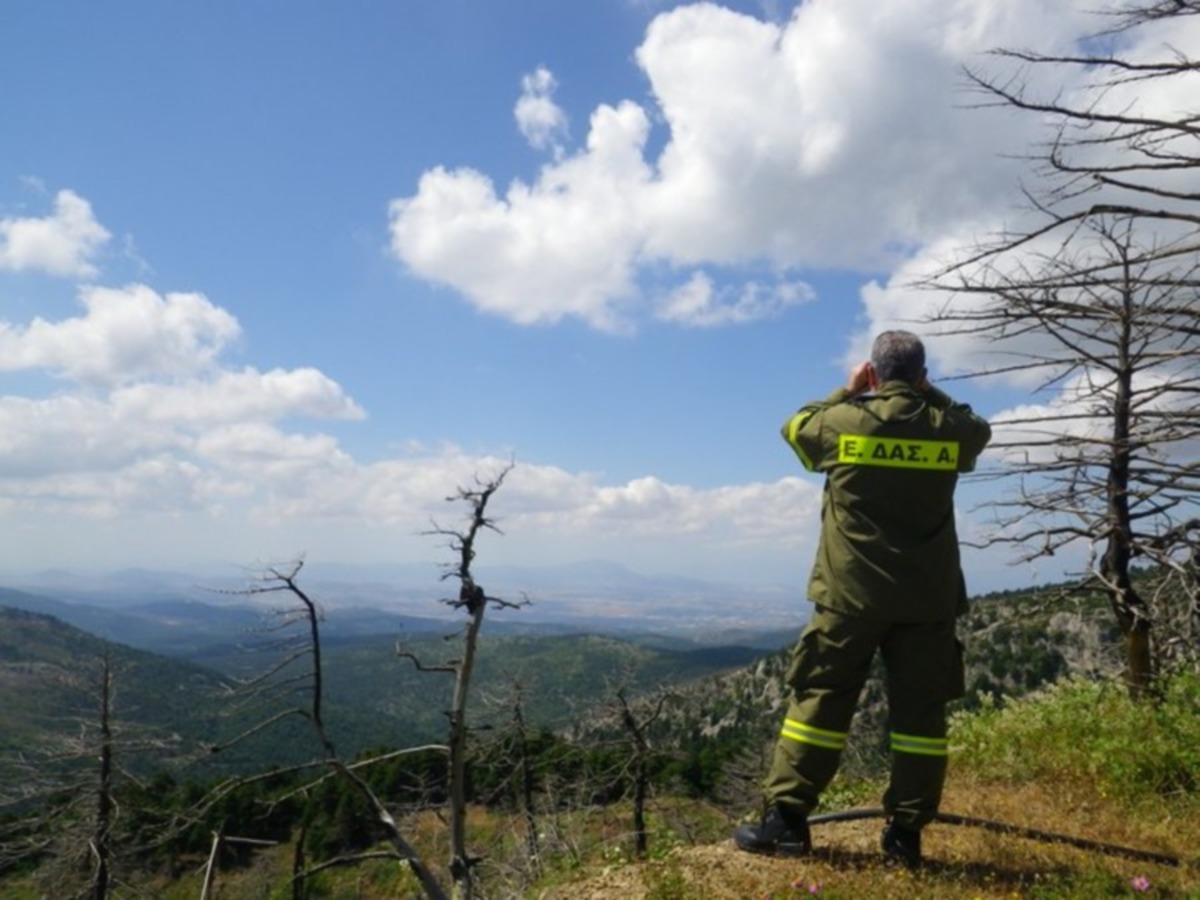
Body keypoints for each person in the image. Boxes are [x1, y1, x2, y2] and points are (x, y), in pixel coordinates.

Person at [734, 330, 992, 867]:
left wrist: (847, 393)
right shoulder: (947, 427)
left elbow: (794, 427)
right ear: (922, 375)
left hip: (849, 596)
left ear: (872, 372)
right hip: (927, 602)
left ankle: (786, 824)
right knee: (920, 720)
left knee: (819, 703)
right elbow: (979, 429)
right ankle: (905, 838)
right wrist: (929, 394)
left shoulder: (843, 421)